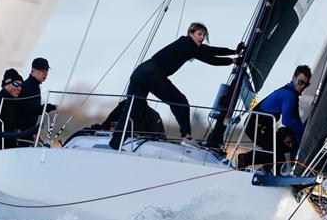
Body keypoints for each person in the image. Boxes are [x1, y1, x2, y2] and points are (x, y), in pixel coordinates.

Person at [109, 22, 241, 150]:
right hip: (152, 73)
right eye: (199, 34)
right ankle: (187, 137)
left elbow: (211, 50)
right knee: (180, 101)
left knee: (133, 110)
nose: (202, 38)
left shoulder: (187, 44)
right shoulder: (188, 45)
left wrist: (234, 51)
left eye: (204, 36)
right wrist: (233, 61)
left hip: (140, 72)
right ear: (191, 33)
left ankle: (116, 143)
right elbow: (211, 59)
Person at [246, 65, 310, 153]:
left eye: (306, 84)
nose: (303, 86)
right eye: (300, 82)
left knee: (289, 143)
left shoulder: (290, 92)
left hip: (262, 126)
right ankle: (244, 159)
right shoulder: (289, 95)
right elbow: (286, 121)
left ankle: (266, 166)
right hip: (255, 127)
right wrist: (306, 130)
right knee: (284, 148)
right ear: (294, 78)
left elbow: (295, 117)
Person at [17, 57, 57, 142]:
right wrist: (52, 107)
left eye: (46, 71)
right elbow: (32, 109)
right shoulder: (30, 86)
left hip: (26, 132)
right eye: (42, 71)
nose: (45, 74)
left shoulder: (33, 85)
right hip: (21, 133)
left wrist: (33, 133)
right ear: (33, 70)